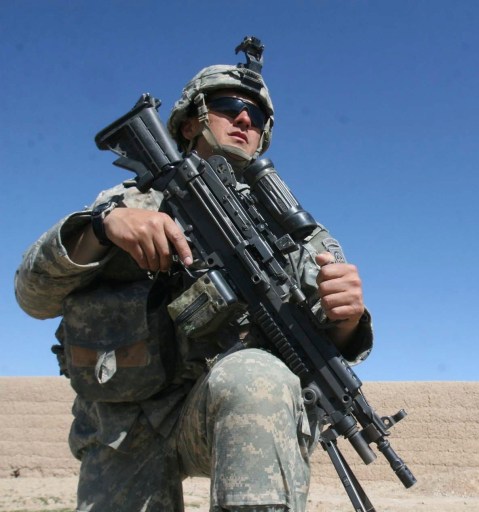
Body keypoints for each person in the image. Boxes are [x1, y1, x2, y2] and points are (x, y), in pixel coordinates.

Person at [14, 38, 373, 512]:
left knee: (256, 375)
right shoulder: (129, 204)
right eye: (229, 107)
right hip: (126, 424)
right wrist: (102, 227)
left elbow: (326, 346)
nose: (246, 120)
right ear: (190, 122)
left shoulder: (299, 235)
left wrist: (348, 316)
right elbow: (32, 297)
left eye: (258, 117)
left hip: (231, 413)